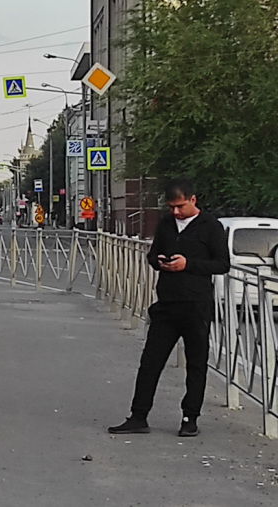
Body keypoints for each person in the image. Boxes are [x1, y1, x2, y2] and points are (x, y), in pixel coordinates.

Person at [108, 178, 229, 438]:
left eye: (180, 206)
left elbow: (221, 264)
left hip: (196, 305)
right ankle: (138, 416)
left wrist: (188, 264)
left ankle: (190, 418)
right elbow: (153, 254)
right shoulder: (165, 224)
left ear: (193, 200)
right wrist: (158, 261)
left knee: (196, 364)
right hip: (166, 306)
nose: (175, 212)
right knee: (150, 362)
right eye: (171, 207)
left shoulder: (211, 227)